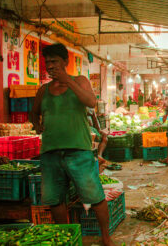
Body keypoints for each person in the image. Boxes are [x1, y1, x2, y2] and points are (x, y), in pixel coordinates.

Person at [31, 43, 114, 246]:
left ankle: (105, 237)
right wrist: (37, 125)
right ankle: (66, 237)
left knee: (95, 196)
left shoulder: (80, 81)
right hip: (51, 153)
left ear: (65, 62)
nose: (50, 66)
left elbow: (91, 102)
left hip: (79, 152)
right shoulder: (44, 90)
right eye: (47, 62)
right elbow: (33, 113)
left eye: (54, 62)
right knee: (55, 199)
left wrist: (68, 80)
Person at [87, 108, 108, 173]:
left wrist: (100, 131)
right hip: (86, 132)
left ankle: (99, 155)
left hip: (93, 131)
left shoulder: (91, 110)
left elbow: (96, 123)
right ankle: (96, 158)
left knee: (104, 137)